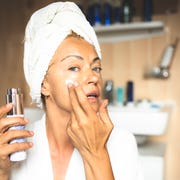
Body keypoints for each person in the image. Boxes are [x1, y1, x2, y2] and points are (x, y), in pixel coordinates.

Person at [0, 2, 143, 180]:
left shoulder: (122, 143)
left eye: (96, 68)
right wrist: (2, 172)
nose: (93, 77)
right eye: (74, 67)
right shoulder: (17, 146)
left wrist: (97, 154)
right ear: (43, 84)